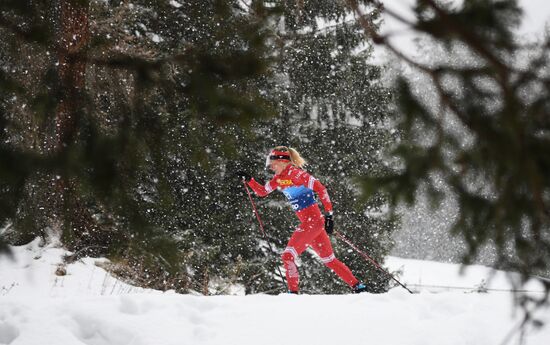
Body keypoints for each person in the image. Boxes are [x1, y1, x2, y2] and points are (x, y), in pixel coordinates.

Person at [237, 146, 367, 294]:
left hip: (313, 222)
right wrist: (249, 180)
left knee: (288, 255)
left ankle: (293, 294)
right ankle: (358, 287)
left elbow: (321, 189)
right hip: (312, 223)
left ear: (282, 161)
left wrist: (329, 215)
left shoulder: (297, 174)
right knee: (329, 260)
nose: (271, 167)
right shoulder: (279, 179)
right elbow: (262, 192)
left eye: (273, 163)